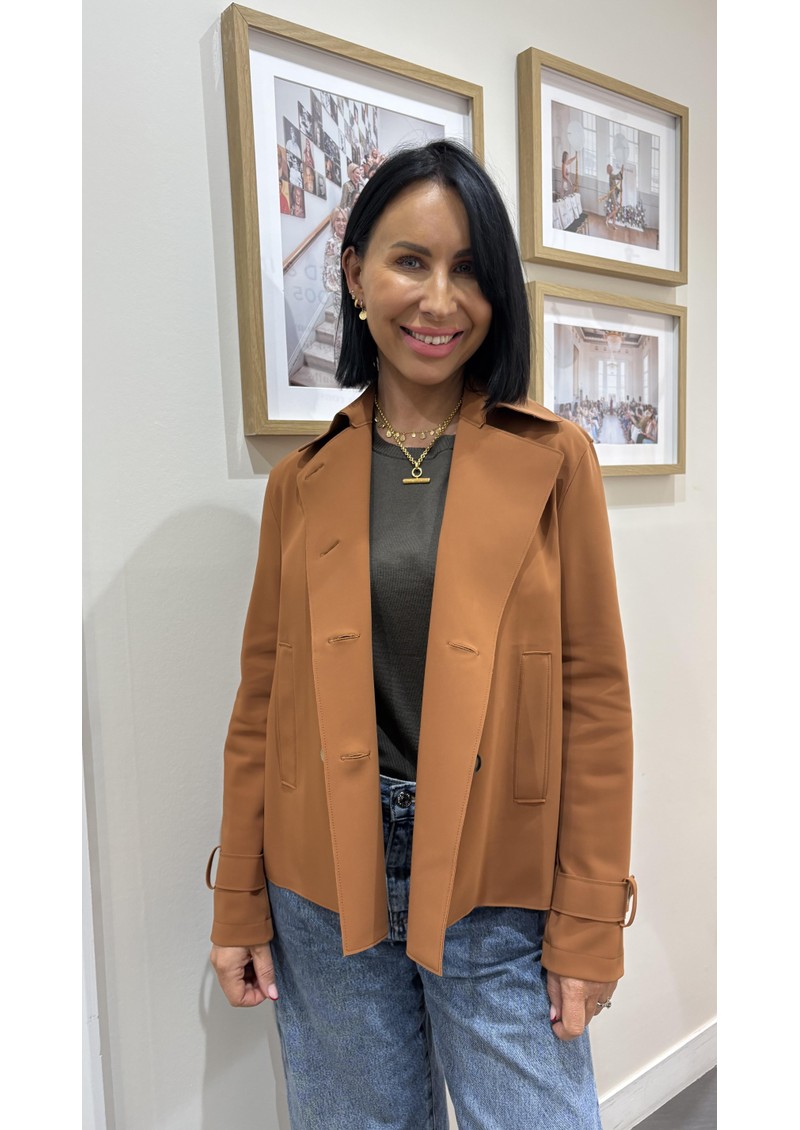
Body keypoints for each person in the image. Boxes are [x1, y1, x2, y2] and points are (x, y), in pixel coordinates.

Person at [208, 138, 636, 1129]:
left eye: (469, 270)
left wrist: (587, 918)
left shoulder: (554, 459)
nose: (440, 301)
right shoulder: (301, 482)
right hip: (323, 882)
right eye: (411, 261)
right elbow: (262, 702)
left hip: (500, 882)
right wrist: (239, 899)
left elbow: (594, 700)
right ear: (356, 274)